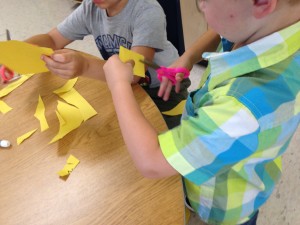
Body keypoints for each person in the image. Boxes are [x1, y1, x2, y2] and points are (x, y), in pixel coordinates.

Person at [102, 0, 300, 224]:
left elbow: (151, 161)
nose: (199, 6)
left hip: (222, 207)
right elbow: (221, 30)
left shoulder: (242, 110)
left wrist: (118, 84)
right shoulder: (269, 24)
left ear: (261, 3)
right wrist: (187, 58)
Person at [0, 0, 190, 129]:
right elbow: (52, 39)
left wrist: (84, 66)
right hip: (125, 85)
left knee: (168, 141)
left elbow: (133, 74)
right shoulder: (91, 7)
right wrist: (18, 52)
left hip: (164, 90)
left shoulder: (147, 12)